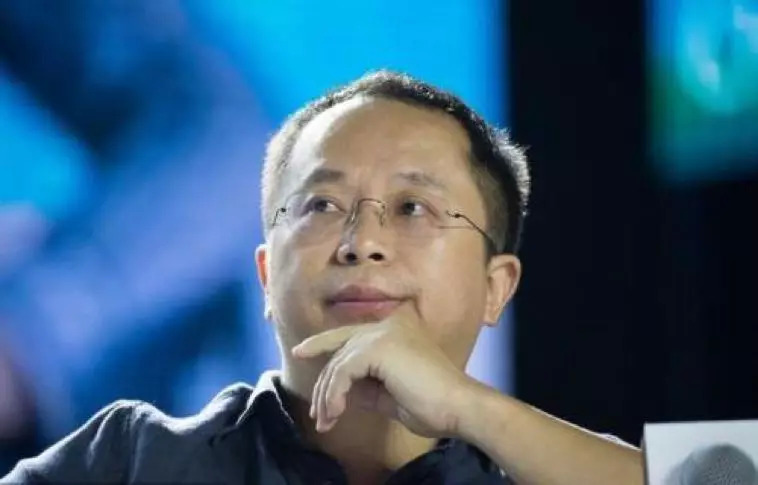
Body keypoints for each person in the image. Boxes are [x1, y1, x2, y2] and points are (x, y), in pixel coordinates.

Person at [1, 70, 643, 485]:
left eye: (412, 208)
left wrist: (469, 410)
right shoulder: (130, 459)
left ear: (496, 287)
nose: (362, 243)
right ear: (266, 275)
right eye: (322, 206)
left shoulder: (543, 470)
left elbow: (707, 471)